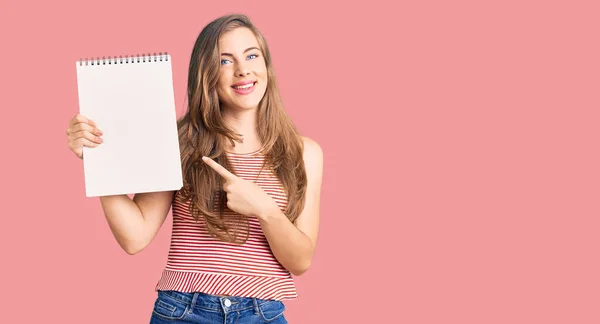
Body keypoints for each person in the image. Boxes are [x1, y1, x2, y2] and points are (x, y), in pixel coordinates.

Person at [65, 14, 323, 324]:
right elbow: (135, 237)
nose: (243, 70)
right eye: (225, 61)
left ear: (266, 65)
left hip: (262, 315)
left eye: (252, 55)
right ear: (207, 74)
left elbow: (300, 260)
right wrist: (99, 160)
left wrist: (264, 209)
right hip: (184, 311)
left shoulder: (304, 152)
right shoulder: (180, 142)